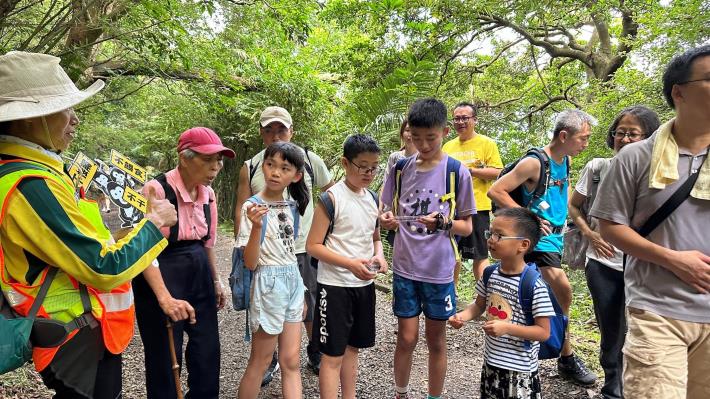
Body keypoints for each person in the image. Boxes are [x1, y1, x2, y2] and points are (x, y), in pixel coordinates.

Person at [0, 51, 177, 398]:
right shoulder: (31, 185)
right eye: (64, 109)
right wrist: (156, 223)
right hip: (74, 334)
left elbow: (87, 238)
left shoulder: (40, 172)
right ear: (29, 118)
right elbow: (102, 266)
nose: (74, 119)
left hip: (78, 330)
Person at [591, 45, 710, 398]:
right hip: (657, 309)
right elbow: (609, 226)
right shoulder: (635, 158)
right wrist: (674, 260)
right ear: (679, 92)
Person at [487, 109, 597, 386]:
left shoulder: (566, 161)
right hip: (537, 238)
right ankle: (565, 355)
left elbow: (562, 195)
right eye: (582, 138)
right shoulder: (534, 163)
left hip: (557, 236)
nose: (585, 143)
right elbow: (496, 191)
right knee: (562, 288)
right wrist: (531, 219)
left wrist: (579, 223)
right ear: (564, 135)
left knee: (545, 294)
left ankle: (540, 345)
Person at [380, 98, 475, 399]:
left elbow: (467, 226)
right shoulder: (400, 168)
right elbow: (384, 210)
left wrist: (443, 223)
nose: (423, 144)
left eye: (430, 137)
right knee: (406, 338)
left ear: (445, 132)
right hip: (405, 267)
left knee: (436, 340)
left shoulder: (457, 172)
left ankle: (434, 396)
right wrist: (386, 219)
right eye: (416, 137)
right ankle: (401, 393)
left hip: (439, 270)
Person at [234, 106, 334, 382]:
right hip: (265, 253)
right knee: (268, 307)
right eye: (269, 130)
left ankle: (315, 352)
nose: (275, 134)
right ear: (261, 133)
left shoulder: (309, 161)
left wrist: (329, 234)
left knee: (310, 301)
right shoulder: (252, 165)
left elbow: (331, 193)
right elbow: (242, 205)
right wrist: (240, 243)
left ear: (292, 131)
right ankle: (269, 359)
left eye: (281, 129)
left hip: (306, 245)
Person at [133, 127, 234, 399]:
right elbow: (143, 249)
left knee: (207, 350)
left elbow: (208, 242)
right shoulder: (156, 189)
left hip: (198, 269)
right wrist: (164, 298)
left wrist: (215, 281)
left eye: (219, 160)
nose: (216, 167)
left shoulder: (208, 195)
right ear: (184, 158)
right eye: (208, 159)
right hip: (159, 269)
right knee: (165, 355)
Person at [568, 106, 659, 399]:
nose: (625, 139)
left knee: (644, 329)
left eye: (633, 134)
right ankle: (612, 387)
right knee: (610, 328)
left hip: (645, 266)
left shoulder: (659, 175)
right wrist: (591, 234)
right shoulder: (597, 168)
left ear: (649, 138)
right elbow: (574, 205)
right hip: (603, 261)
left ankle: (639, 385)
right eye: (620, 133)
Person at [306, 134, 388, 399]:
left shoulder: (373, 198)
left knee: (353, 349)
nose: (369, 172)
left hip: (364, 285)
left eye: (374, 167)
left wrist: (380, 256)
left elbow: (375, 238)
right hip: (335, 286)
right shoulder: (330, 199)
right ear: (344, 162)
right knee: (332, 355)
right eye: (362, 166)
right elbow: (313, 246)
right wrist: (350, 264)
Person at [449, 207, 555, 399]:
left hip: (520, 372)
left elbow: (543, 332)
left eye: (499, 235)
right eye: (490, 233)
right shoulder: (490, 274)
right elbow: (479, 305)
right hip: (491, 363)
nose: (491, 239)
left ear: (523, 245)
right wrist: (462, 316)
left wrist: (507, 328)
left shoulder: (534, 285)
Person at [236, 142, 310, 399]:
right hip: (268, 283)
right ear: (263, 167)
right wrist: (257, 227)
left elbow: (290, 252)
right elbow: (250, 262)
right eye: (270, 165)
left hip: (292, 281)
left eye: (284, 168)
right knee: (260, 361)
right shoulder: (251, 207)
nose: (275, 172)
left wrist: (300, 290)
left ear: (296, 175)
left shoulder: (292, 207)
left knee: (291, 362)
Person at [442, 102, 503, 281]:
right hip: (451, 208)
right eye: (457, 118)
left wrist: (470, 171)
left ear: (474, 120)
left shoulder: (486, 143)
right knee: (451, 253)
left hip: (477, 207)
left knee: (479, 255)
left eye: (465, 118)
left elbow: (498, 172)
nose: (460, 122)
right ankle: (450, 295)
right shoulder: (447, 147)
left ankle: (483, 299)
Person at [383, 119, 417, 184]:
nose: (411, 134)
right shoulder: (394, 157)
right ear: (401, 134)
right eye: (407, 130)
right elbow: (386, 184)